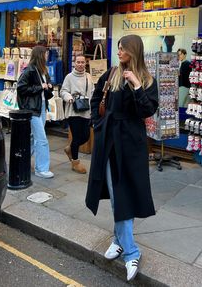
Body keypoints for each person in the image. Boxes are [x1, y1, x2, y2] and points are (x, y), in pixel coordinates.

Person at [85, 34, 158, 282]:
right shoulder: (112, 74)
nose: (118, 51)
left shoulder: (147, 80)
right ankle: (125, 246)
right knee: (118, 196)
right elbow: (96, 98)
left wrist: (137, 85)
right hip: (109, 143)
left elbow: (147, 110)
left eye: (123, 49)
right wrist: (97, 122)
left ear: (133, 51)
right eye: (118, 48)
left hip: (131, 147)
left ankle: (128, 250)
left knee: (123, 196)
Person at [17, 45, 54, 179]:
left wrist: (49, 87)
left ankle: (22, 160)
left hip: (41, 107)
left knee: (33, 138)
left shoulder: (43, 71)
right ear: (40, 55)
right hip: (32, 109)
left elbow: (47, 91)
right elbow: (21, 87)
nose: (47, 56)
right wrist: (40, 87)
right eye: (46, 54)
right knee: (41, 139)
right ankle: (41, 168)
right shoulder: (30, 70)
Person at [60, 55, 94, 174]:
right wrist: (69, 98)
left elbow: (92, 91)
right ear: (74, 63)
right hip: (73, 110)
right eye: (78, 62)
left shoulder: (88, 76)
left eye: (82, 62)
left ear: (85, 63)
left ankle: (69, 149)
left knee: (85, 136)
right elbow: (63, 91)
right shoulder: (69, 77)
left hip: (86, 110)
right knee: (76, 137)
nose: (80, 64)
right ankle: (75, 162)